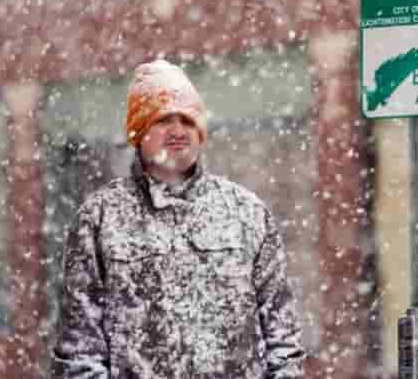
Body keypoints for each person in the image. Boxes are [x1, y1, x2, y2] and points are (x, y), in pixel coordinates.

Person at [52, 59, 305, 378]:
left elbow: (282, 340)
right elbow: (79, 352)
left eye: (187, 120)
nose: (177, 130)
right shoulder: (99, 219)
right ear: (139, 131)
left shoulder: (247, 213)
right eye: (162, 120)